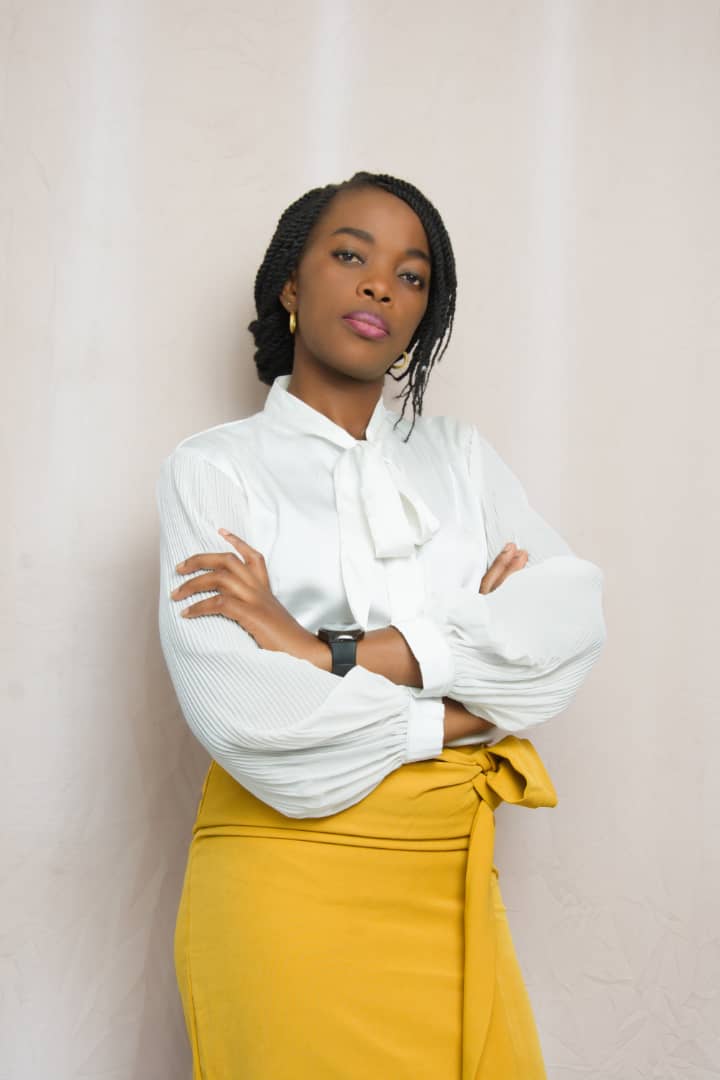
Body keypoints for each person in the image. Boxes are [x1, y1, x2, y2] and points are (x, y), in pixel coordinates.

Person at [156, 170, 606, 1079]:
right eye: (350, 255)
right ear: (291, 282)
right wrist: (463, 710)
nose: (380, 286)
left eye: (411, 276)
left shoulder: (461, 458)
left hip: (452, 872)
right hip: (286, 881)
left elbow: (567, 628)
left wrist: (323, 650)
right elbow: (248, 717)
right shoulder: (214, 471)